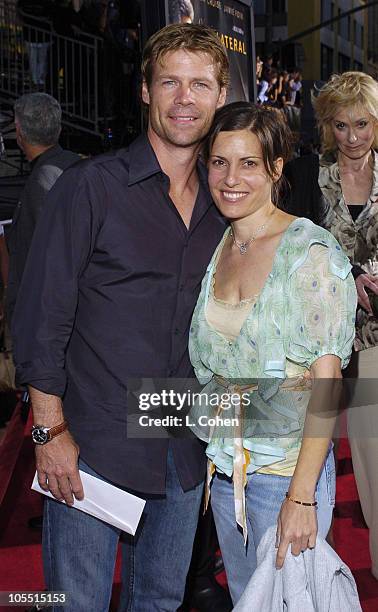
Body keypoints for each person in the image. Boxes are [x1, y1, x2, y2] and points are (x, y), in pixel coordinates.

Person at [12, 23, 229, 612]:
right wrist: (48, 433)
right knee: (72, 603)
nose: (185, 99)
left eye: (200, 85)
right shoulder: (91, 188)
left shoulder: (225, 205)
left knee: (158, 602)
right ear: (145, 91)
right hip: (90, 442)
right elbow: (41, 318)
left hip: (182, 446)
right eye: (171, 83)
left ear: (220, 95)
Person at [188, 101, 357, 604]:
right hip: (225, 474)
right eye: (219, 161)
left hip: (287, 476)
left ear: (276, 168)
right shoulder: (221, 244)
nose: (230, 177)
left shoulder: (311, 252)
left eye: (248, 163)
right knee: (248, 599)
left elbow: (328, 382)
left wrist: (301, 496)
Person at [284, 71, 378, 580]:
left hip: (373, 338)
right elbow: (291, 245)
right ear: (327, 126)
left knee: (374, 461)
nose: (353, 136)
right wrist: (351, 273)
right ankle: (305, 573)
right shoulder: (304, 175)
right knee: (308, 461)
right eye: (341, 125)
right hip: (312, 339)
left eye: (362, 123)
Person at [7, 93, 79, 326]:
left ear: (19, 133)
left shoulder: (45, 179)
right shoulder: (75, 163)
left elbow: (54, 259)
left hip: (46, 319)